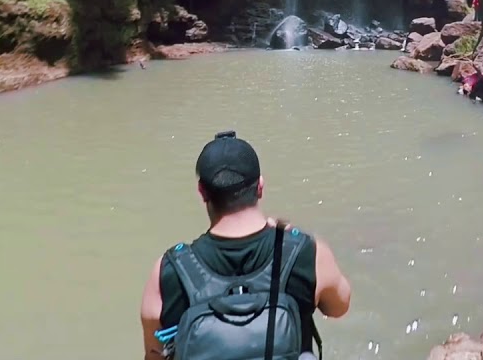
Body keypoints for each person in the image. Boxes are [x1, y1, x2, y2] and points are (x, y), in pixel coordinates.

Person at [140, 131, 352, 359]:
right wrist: (289, 235)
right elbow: (339, 308)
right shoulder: (306, 253)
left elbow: (155, 355)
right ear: (260, 187)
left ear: (202, 192)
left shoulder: (169, 272)